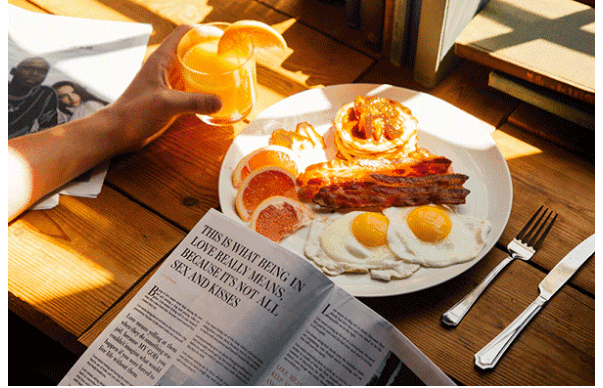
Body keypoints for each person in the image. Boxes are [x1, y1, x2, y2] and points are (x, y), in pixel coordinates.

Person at [8, 25, 222, 222]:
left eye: (40, 72)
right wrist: (118, 126)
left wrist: (120, 125)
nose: (35, 75)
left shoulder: (45, 95)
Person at [8, 56, 59, 139]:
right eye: (28, 68)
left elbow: (48, 130)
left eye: (42, 71)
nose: (35, 74)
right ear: (13, 71)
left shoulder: (45, 94)